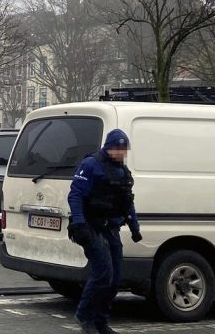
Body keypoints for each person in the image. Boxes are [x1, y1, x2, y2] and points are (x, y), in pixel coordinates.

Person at [67, 129, 142, 334]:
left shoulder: (123, 172)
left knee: (115, 278)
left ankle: (101, 321)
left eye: (124, 149)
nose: (121, 153)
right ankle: (85, 317)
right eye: (118, 148)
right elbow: (75, 195)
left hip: (111, 228)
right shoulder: (91, 165)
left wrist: (135, 228)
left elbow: (128, 202)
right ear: (109, 147)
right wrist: (80, 224)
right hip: (91, 227)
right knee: (103, 273)